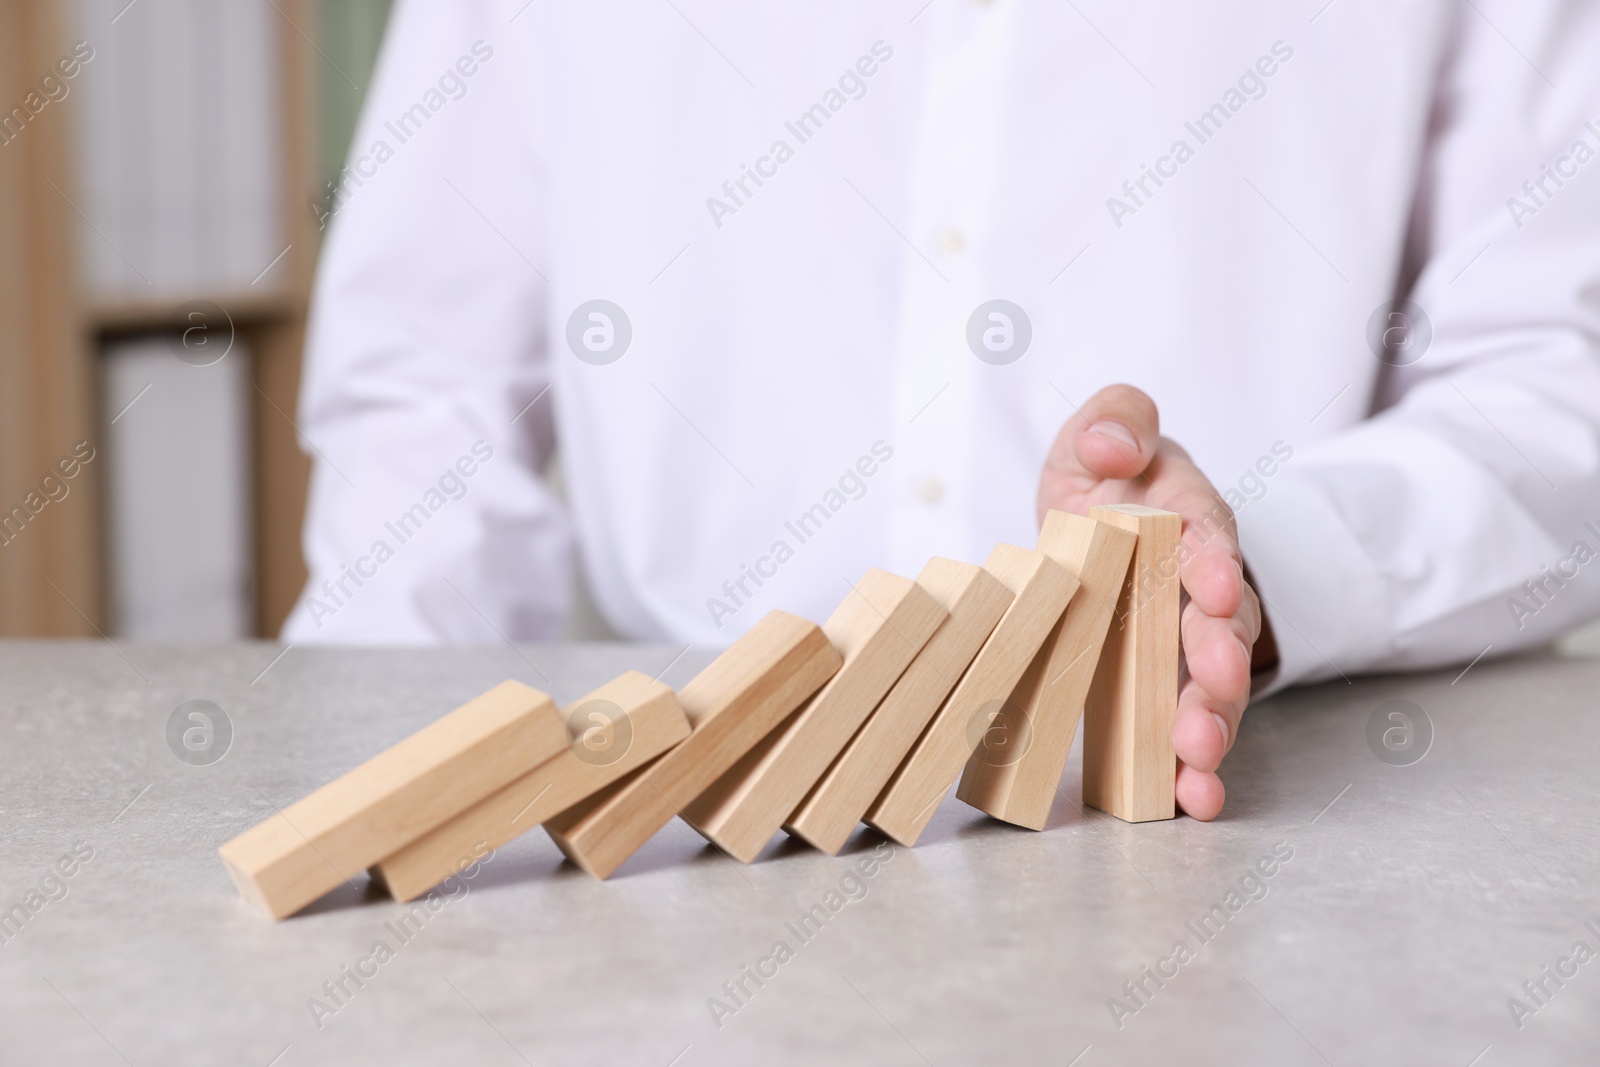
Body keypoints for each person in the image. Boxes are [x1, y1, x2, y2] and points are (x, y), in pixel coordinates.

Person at [284, 1, 1600, 820]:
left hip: (1235, 821)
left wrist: (1258, 566)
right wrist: (393, 796)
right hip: (675, 839)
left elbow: (1556, 381)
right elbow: (426, 373)